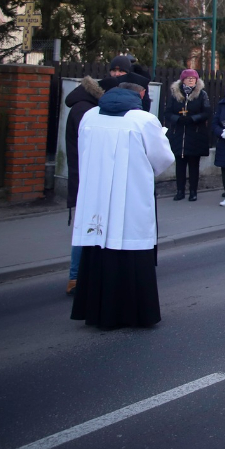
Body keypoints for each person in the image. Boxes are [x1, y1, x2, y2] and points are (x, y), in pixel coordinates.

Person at [70, 82, 175, 329]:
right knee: (129, 249)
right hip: (130, 197)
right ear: (139, 95)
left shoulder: (89, 115)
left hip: (96, 197)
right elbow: (163, 159)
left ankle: (95, 310)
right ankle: (133, 314)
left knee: (99, 247)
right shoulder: (144, 120)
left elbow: (82, 151)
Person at [64, 75, 103, 294]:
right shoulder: (83, 110)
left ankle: (80, 277)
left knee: (88, 227)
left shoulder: (84, 106)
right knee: (84, 228)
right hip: (85, 176)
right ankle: (76, 278)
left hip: (85, 174)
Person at [166, 68, 211, 203]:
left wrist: (193, 118)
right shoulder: (175, 94)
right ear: (182, 80)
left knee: (193, 165)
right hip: (178, 134)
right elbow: (167, 113)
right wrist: (177, 119)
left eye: (193, 78)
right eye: (188, 78)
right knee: (179, 164)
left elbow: (207, 112)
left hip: (195, 134)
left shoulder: (202, 94)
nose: (191, 80)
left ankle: (193, 191)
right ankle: (180, 191)